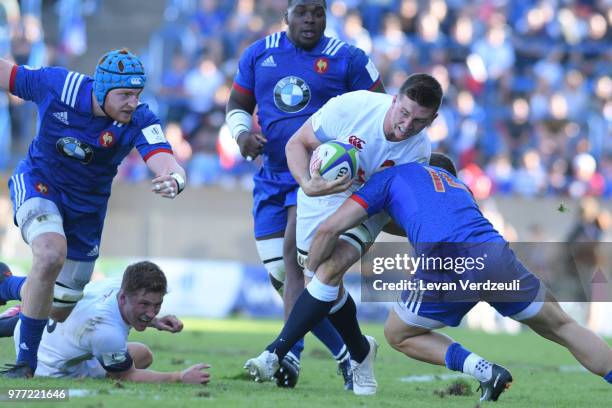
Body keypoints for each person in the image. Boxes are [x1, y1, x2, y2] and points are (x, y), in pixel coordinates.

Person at [273, 153, 612, 401]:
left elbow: (331, 226)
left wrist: (312, 266)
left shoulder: (394, 176)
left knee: (399, 334)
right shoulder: (458, 187)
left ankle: (484, 370)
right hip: (495, 255)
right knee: (565, 327)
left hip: (446, 261)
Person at [244, 73, 442, 396]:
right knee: (317, 281)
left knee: (330, 268)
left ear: (433, 119)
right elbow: (298, 143)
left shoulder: (418, 153)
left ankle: (274, 353)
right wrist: (309, 184)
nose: (406, 126)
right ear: (394, 100)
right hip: (320, 192)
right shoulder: (353, 107)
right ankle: (360, 351)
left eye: (419, 121)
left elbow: (393, 207)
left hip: (369, 205)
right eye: (404, 113)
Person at [226, 0, 384, 388]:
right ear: (287, 16)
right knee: (284, 275)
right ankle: (352, 351)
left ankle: (287, 356)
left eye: (318, 11)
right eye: (303, 11)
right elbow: (237, 104)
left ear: (326, 16)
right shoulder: (259, 54)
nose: (311, 19)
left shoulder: (349, 59)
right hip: (270, 176)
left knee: (297, 263)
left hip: (319, 181)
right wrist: (242, 134)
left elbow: (383, 111)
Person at [0, 48, 187, 377]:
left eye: (137, 93)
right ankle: (25, 366)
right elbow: (10, 75)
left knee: (58, 308)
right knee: (49, 254)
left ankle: (8, 287)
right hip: (39, 184)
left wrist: (174, 179)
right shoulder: (59, 86)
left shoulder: (141, 118)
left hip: (86, 212)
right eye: (125, 94)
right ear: (101, 90)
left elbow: (163, 157)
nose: (133, 102)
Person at [8, 261, 211, 383]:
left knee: (141, 353)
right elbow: (127, 376)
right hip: (50, 368)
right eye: (144, 305)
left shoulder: (117, 284)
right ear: (123, 298)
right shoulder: (107, 333)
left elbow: (135, 311)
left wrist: (156, 322)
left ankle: (21, 314)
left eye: (157, 305)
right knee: (133, 362)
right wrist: (179, 376)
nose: (150, 312)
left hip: (47, 336)